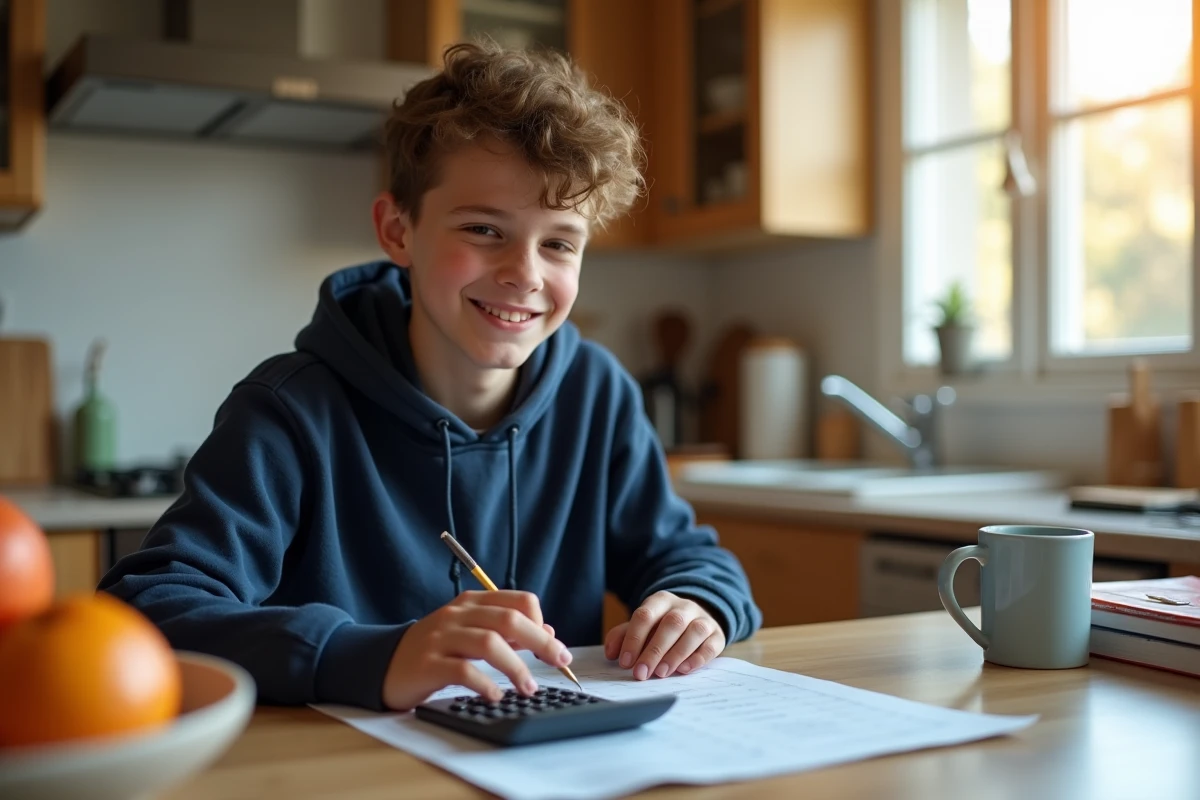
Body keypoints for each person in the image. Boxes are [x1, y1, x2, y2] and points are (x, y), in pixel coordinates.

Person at [98, 41, 761, 712]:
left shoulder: (598, 393)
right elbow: (146, 611)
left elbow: (693, 561)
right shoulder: (289, 409)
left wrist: (696, 605)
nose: (526, 274)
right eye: (483, 229)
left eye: (558, 242)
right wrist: (366, 655)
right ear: (397, 230)